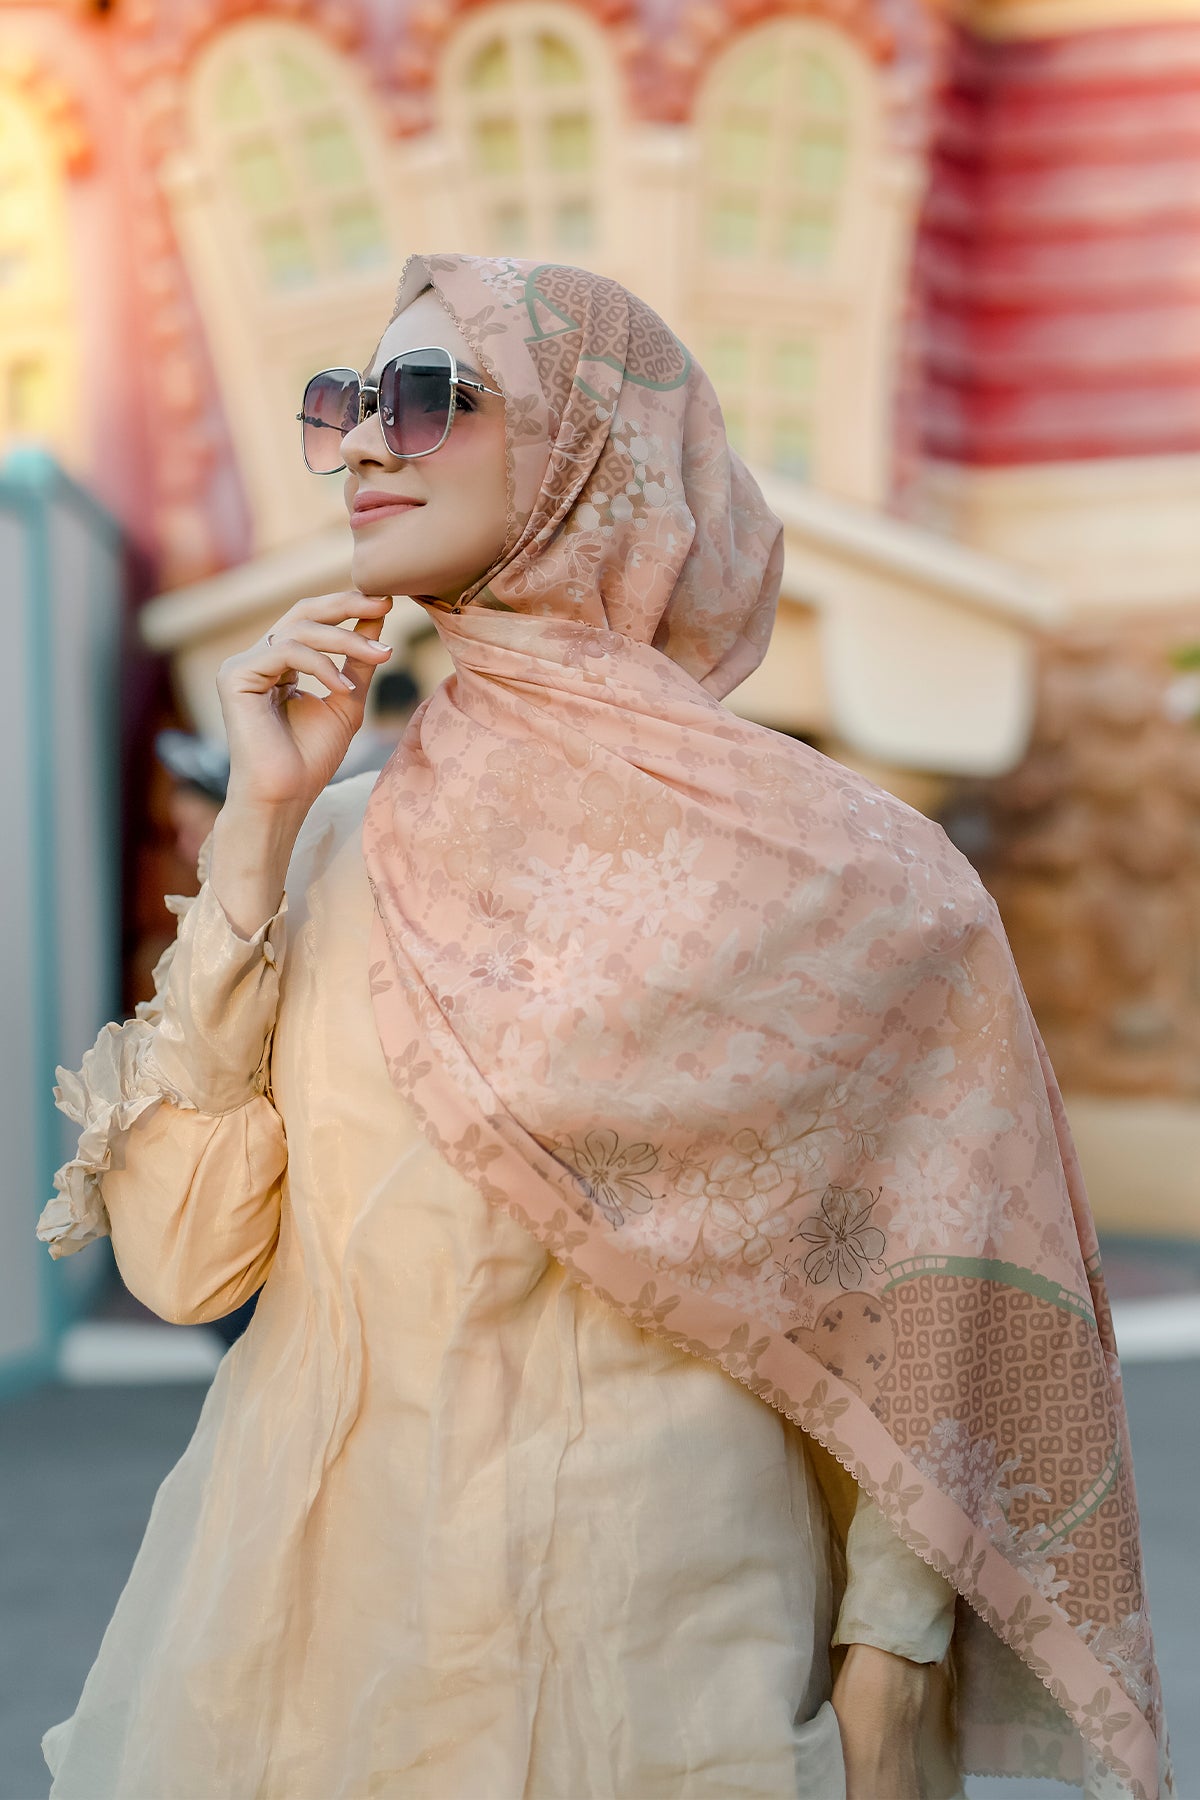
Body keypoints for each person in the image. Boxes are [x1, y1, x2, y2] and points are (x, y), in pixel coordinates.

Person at [36, 257, 1169, 1800]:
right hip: (302, 1686)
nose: (361, 443)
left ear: (590, 449)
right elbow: (182, 1266)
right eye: (345, 403)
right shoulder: (328, 850)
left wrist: (892, 1660)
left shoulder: (847, 879)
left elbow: (938, 1286)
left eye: (425, 399)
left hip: (669, 1689)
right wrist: (256, 830)